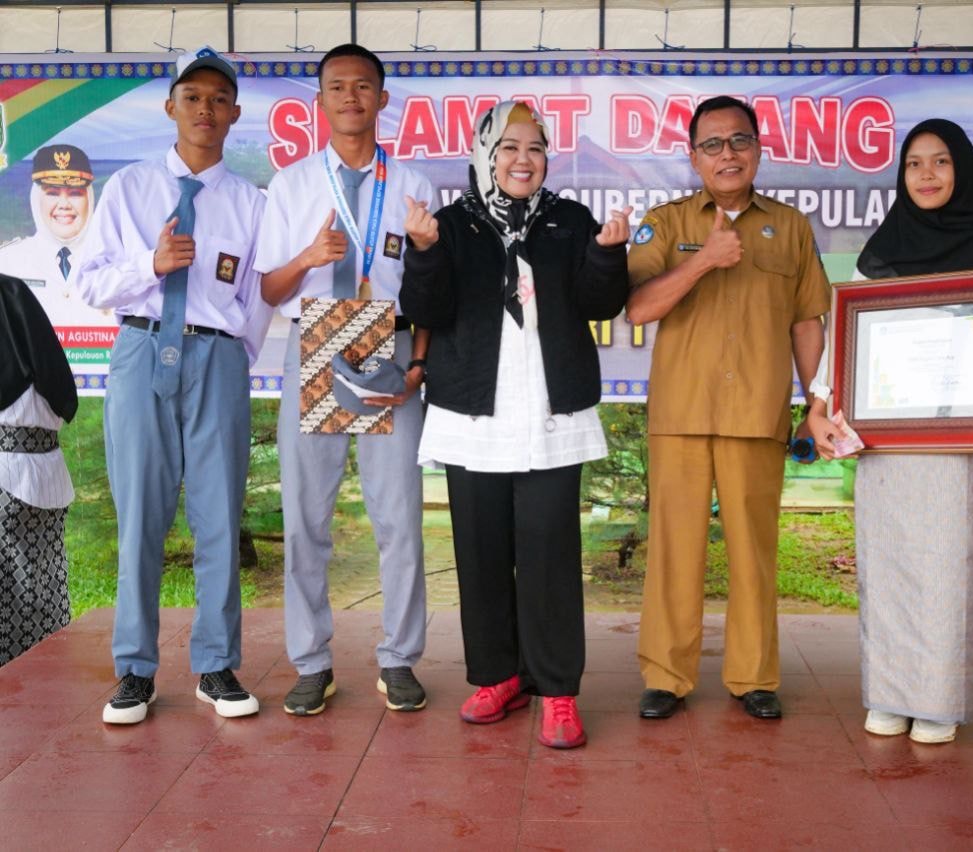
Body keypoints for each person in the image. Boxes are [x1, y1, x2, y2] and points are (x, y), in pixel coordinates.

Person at [400, 101, 631, 749]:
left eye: (534, 148)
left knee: (550, 551)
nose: (521, 159)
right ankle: (498, 675)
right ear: (485, 153)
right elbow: (426, 306)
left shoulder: (568, 220)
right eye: (508, 147)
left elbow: (597, 302)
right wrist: (423, 250)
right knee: (480, 551)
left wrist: (608, 255)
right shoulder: (450, 223)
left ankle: (557, 691)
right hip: (473, 410)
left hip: (550, 412)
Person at [806, 119, 973, 744]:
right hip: (888, 440)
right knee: (890, 560)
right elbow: (849, 337)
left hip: (958, 444)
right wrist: (819, 403)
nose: (927, 175)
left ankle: (937, 700)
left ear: (965, 171)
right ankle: (891, 693)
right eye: (914, 164)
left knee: (949, 563)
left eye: (941, 162)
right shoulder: (886, 246)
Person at [78, 47, 271, 723]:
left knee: (218, 513)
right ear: (170, 108)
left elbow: (258, 296)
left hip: (216, 361)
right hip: (138, 349)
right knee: (141, 518)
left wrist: (229, 354)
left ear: (234, 115)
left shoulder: (250, 202)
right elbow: (88, 282)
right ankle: (133, 669)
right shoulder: (129, 188)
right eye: (192, 98)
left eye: (219, 100)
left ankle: (216, 665)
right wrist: (149, 264)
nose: (205, 110)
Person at [626, 96, 830, 721]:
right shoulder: (664, 224)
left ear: (758, 151)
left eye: (739, 141)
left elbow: (807, 320)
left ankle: (754, 676)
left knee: (754, 550)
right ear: (693, 158)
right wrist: (704, 262)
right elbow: (637, 307)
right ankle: (666, 675)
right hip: (682, 413)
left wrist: (815, 399)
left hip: (756, 412)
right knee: (674, 551)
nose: (727, 154)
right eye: (712, 145)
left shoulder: (791, 226)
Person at [256, 43, 433, 716]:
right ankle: (311, 660)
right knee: (306, 518)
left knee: (400, 519)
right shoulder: (294, 184)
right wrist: (309, 256)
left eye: (364, 87)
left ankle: (400, 658)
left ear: (383, 100)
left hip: (388, 343)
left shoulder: (415, 182)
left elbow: (431, 287)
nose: (351, 97)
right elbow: (269, 289)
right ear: (320, 101)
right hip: (318, 339)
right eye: (337, 87)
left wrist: (419, 362)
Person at [0, 274, 78, 666]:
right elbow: (64, 400)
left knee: (15, 607)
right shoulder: (15, 298)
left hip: (10, 480)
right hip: (44, 476)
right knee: (43, 596)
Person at [0, 145, 103, 328]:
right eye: (53, 193)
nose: (64, 204)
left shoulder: (113, 258)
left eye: (75, 194)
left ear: (90, 198)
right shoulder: (7, 261)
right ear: (36, 199)